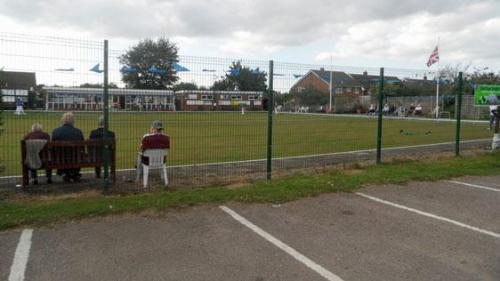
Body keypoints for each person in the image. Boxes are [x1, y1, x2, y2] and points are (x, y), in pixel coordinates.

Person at [52, 112, 84, 182]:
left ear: (63, 120)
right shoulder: (78, 132)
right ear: (73, 121)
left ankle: (65, 173)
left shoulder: (56, 131)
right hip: (75, 159)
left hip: (60, 160)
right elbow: (82, 147)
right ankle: (74, 173)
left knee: (62, 155)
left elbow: (53, 148)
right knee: (76, 155)